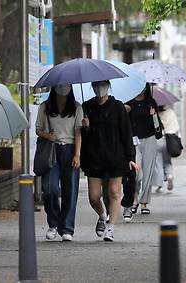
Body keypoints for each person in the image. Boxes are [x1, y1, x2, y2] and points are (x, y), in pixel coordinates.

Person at [81, 80, 139, 241]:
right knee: (94, 196)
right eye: (96, 85)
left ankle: (111, 228)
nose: (100, 88)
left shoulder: (118, 107)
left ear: (108, 86)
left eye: (103, 84)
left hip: (116, 157)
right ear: (92, 87)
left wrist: (130, 158)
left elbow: (126, 134)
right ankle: (102, 214)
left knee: (114, 192)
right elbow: (82, 137)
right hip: (93, 157)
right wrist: (85, 127)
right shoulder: (87, 107)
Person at [35, 85, 83, 242]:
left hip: (70, 150)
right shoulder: (45, 106)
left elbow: (78, 132)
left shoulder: (76, 107)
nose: (63, 88)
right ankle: (53, 223)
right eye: (60, 85)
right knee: (50, 189)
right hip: (52, 151)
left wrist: (77, 154)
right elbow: (38, 129)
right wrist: (47, 136)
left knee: (71, 190)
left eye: (66, 84)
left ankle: (67, 228)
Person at [122, 85, 164, 221]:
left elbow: (158, 130)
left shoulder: (151, 103)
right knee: (136, 172)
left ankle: (144, 202)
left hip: (150, 139)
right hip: (134, 142)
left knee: (148, 172)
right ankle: (135, 199)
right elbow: (124, 124)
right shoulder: (129, 103)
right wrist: (125, 111)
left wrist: (153, 115)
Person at [158, 104, 180, 191]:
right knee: (167, 161)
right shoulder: (171, 112)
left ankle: (160, 184)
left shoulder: (156, 114)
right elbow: (176, 127)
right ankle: (170, 175)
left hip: (159, 140)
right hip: (170, 140)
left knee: (158, 162)